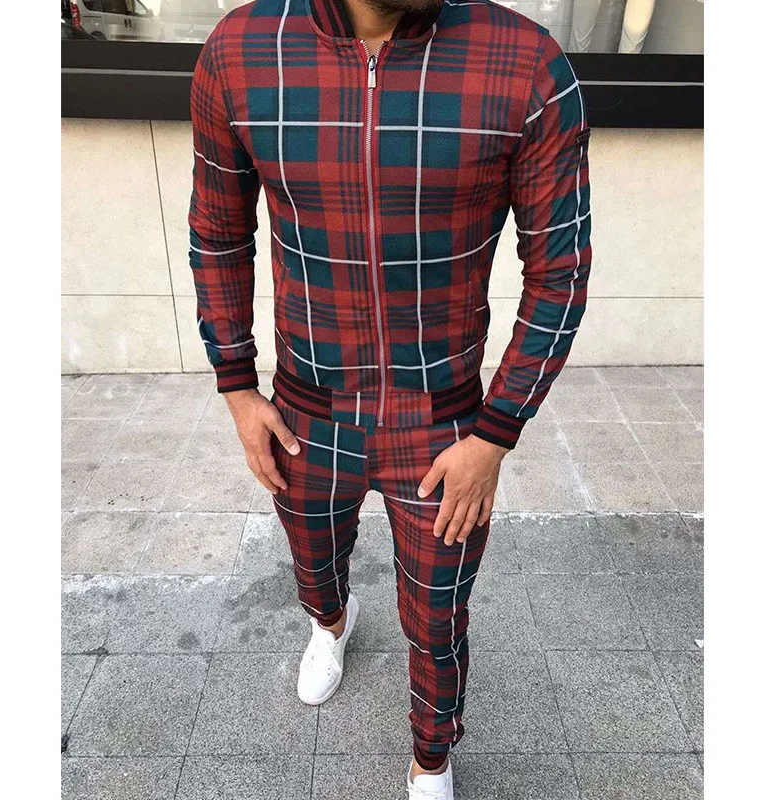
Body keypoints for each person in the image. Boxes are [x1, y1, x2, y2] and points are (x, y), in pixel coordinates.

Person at [188, 0, 591, 796]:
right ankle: (331, 624)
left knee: (438, 620)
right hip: (305, 410)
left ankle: (431, 761)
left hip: (444, 425)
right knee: (312, 564)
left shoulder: (524, 64)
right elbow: (219, 231)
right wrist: (236, 385)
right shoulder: (242, 52)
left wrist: (495, 433)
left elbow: (560, 273)